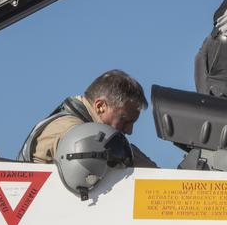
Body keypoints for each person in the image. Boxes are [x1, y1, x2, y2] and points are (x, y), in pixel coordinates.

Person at [20, 69, 157, 168]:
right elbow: (109, 158)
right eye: (124, 120)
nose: (129, 130)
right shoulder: (70, 130)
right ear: (100, 106)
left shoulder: (94, 133)